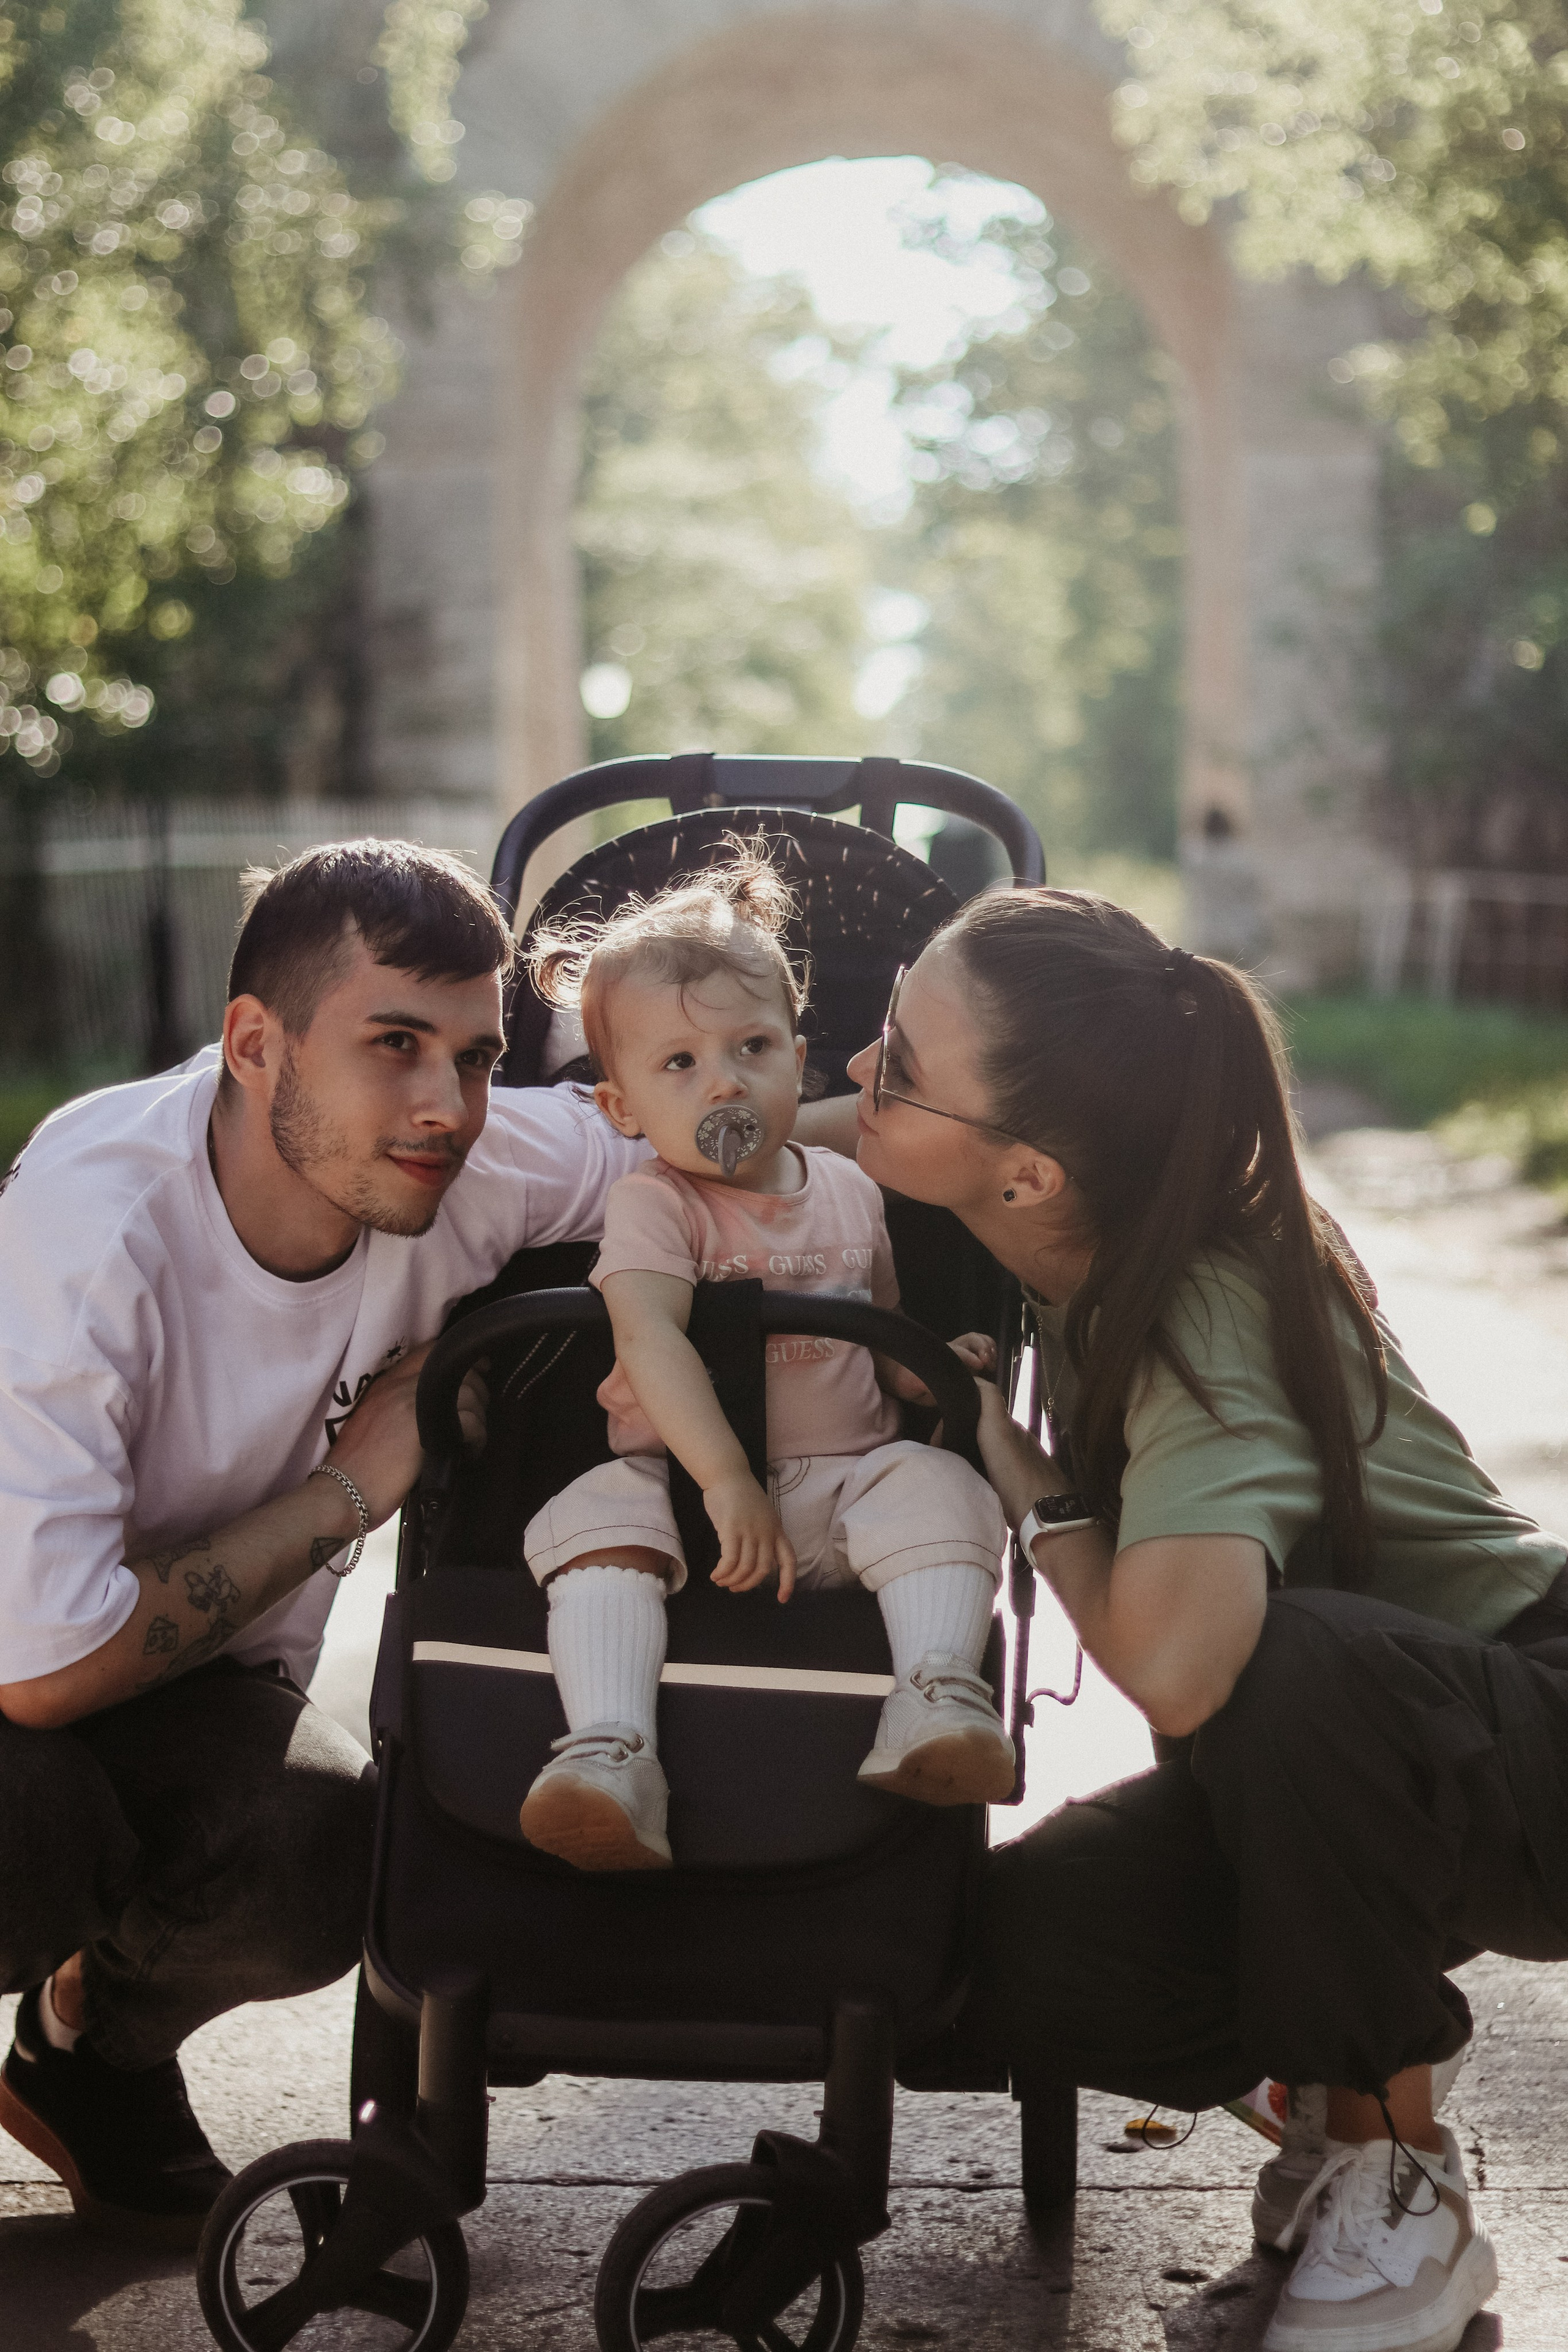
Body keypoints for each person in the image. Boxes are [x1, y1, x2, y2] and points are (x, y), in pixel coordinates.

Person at [833, 885, 1568, 2352]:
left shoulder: (1202, 1295)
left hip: (1521, 1724)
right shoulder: (1078, 1204)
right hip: (1381, 1759)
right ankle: (1329, 2098)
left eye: (894, 1063)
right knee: (1012, 1951)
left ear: (1027, 1173)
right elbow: (770, 1124)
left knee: (1278, 1665)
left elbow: (1175, 1671)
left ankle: (1392, 2181)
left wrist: (1034, 1489)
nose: (853, 1069)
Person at [0, 837, 662, 2246]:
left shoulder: (467, 1160)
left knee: (320, 1850)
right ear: (256, 1042)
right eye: (395, 1045)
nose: (448, 1106)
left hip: (182, 1681)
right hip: (17, 1663)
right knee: (28, 1826)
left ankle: (83, 2060)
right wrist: (351, 1489)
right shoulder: (96, 1220)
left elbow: (724, 1130)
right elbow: (42, 1675)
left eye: (479, 1057)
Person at [514, 851, 1011, 1872]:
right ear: (622, 1109)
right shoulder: (656, 1203)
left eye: (751, 1046)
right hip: (686, 1496)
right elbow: (650, 1337)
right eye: (680, 1064)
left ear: (801, 1059)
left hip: (842, 1497)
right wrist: (726, 1479)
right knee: (592, 1525)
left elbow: (880, 1331)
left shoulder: (850, 1191)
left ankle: (934, 1694)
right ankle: (612, 1749)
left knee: (942, 1483)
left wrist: (928, 1368)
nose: (727, 1081)